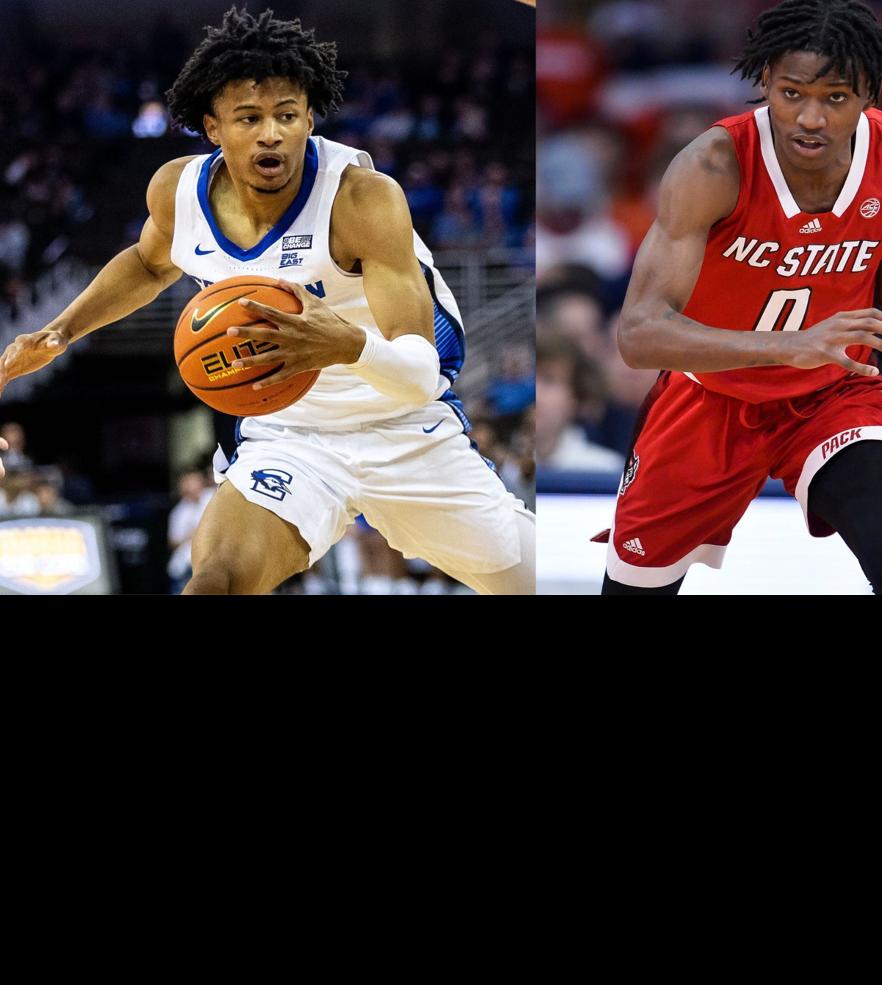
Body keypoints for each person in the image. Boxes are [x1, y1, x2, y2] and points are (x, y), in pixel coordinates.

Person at [0, 8, 533, 594]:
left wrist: (345, 345)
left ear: (310, 118)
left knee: (535, 581)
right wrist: (62, 331)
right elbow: (149, 263)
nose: (271, 133)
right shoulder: (177, 192)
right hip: (287, 433)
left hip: (402, 423)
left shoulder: (361, 199)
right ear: (212, 128)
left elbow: (417, 375)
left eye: (286, 115)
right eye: (248, 118)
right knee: (216, 581)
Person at [601, 0, 882, 594]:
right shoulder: (713, 166)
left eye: (834, 98)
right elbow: (638, 334)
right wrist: (790, 346)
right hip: (709, 397)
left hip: (834, 392)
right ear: (765, 82)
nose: (809, 118)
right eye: (791, 94)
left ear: (869, 93)